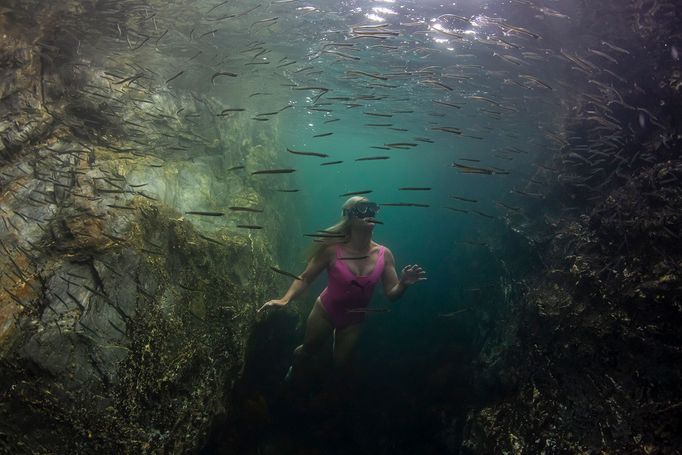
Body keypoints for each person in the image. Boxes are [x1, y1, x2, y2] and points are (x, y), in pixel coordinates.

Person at [258, 196, 427, 386]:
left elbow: (391, 294)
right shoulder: (332, 250)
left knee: (339, 365)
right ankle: (294, 370)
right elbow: (306, 278)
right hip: (325, 312)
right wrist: (285, 299)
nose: (369, 213)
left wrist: (403, 284)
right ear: (349, 217)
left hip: (353, 321)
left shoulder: (384, 254)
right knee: (307, 351)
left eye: (372, 209)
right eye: (362, 209)